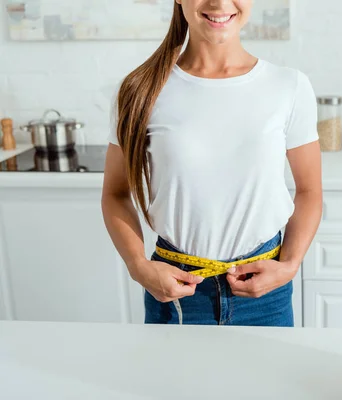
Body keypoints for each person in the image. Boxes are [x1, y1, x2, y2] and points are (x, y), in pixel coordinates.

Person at [101, 0, 322, 326]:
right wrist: (138, 265)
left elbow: (309, 191)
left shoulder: (289, 86)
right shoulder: (140, 91)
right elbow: (115, 194)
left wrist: (289, 264)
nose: (219, 3)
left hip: (265, 293)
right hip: (175, 290)